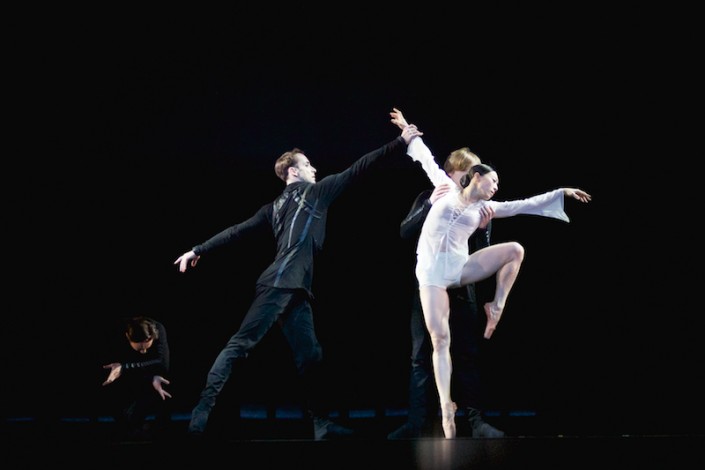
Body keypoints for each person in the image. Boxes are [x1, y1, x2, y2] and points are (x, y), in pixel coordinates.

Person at [174, 121, 423, 440]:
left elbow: (237, 231)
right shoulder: (313, 193)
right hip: (279, 284)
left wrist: (198, 249)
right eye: (307, 164)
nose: (314, 168)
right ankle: (200, 415)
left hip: (296, 289)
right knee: (240, 345)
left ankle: (321, 424)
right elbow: (359, 168)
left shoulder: (274, 207)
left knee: (310, 355)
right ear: (293, 171)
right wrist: (399, 142)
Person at [391, 108, 591, 438]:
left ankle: (495, 306)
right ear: (475, 177)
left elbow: (526, 204)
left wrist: (562, 193)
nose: (497, 187)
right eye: (493, 180)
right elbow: (426, 158)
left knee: (515, 250)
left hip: (459, 269)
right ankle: (446, 408)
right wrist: (406, 131)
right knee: (440, 340)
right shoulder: (443, 188)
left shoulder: (487, 209)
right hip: (430, 274)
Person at [387, 111, 504, 439]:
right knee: (421, 354)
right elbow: (404, 232)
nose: (473, 179)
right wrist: (427, 206)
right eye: (467, 173)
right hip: (428, 285)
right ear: (452, 173)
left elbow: (483, 255)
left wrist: (483, 230)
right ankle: (417, 422)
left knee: (466, 353)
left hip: (461, 287)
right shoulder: (431, 196)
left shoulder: (478, 208)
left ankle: (476, 422)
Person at [100, 315, 172, 440]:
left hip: (148, 371)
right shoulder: (117, 333)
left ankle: (159, 432)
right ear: (128, 337)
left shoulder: (158, 329)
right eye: (139, 348)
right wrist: (123, 369)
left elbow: (163, 364)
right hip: (127, 375)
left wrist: (126, 367)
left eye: (147, 346)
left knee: (162, 388)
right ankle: (131, 428)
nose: (143, 351)